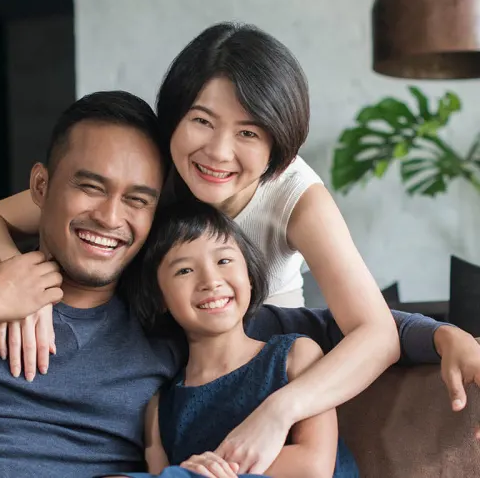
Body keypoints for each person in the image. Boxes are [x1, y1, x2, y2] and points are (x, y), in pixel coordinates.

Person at [0, 91, 457, 478]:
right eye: (90, 187)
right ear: (41, 188)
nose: (110, 218)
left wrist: (449, 338)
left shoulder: (163, 319)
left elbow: (340, 327)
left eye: (137, 200)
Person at [0, 21, 437, 471]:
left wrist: (279, 410)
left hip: (257, 378)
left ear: (278, 145)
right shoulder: (149, 171)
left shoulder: (296, 198)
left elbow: (375, 334)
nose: (218, 152)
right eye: (202, 121)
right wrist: (16, 285)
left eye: (248, 132)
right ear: (174, 117)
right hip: (169, 378)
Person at [113, 200, 359, 478]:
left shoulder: (294, 355)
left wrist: (204, 473)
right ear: (159, 298)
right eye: (184, 270)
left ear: (249, 276)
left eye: (223, 261)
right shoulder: (161, 406)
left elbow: (312, 467)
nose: (211, 280)